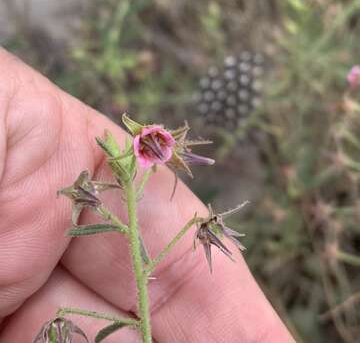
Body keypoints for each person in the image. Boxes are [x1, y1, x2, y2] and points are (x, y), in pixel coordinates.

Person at [0, 48, 294, 342]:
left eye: (160, 143)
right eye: (150, 142)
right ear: (141, 140)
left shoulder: (147, 161)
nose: (157, 147)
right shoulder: (135, 161)